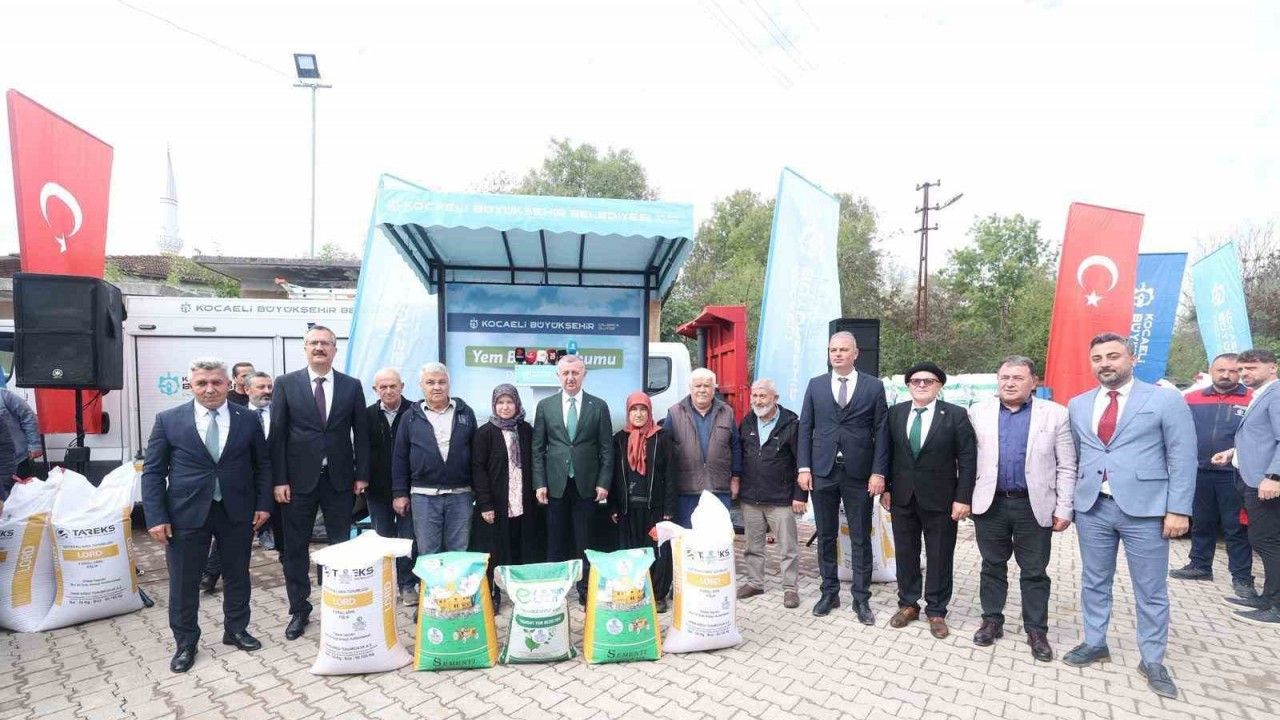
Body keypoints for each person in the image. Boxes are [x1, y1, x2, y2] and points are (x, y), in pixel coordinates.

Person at [1062, 332, 1195, 699]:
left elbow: (1182, 457)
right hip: (1093, 507)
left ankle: (1152, 660)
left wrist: (1178, 509)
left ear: (1132, 359)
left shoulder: (1165, 400)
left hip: (1146, 510)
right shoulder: (1078, 404)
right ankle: (1095, 642)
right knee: (1093, 581)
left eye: (1113, 356)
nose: (1105, 363)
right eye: (1097, 358)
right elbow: (1079, 455)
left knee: (1150, 590)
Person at [141, 357, 272, 673]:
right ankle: (186, 643)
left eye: (216, 382)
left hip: (236, 510)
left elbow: (263, 465)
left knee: (237, 574)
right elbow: (153, 472)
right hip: (185, 514)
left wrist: (263, 504)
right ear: (191, 385)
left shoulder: (247, 419)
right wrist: (156, 516)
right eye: (202, 383)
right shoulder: (168, 420)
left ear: (229, 384)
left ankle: (236, 630)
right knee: (184, 582)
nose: (209, 389)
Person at [968, 356, 1076, 661]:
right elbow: (965, 459)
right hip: (990, 503)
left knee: (1034, 571)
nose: (1010, 383)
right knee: (992, 565)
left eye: (1017, 378)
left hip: (1034, 505)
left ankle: (1036, 630)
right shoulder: (978, 412)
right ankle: (992, 620)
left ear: (1033, 382)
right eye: (1004, 377)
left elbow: (1067, 465)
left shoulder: (1056, 414)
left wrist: (1065, 507)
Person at [270, 326, 370, 641]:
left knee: (340, 546)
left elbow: (361, 434)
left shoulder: (351, 386)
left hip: (339, 480)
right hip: (297, 482)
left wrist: (362, 474)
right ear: (305, 348)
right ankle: (299, 610)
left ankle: (338, 605)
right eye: (313, 343)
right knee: (295, 548)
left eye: (325, 343)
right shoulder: (286, 384)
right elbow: (277, 435)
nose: (319, 348)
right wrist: (279, 479)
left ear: (334, 350)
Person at [797, 331, 890, 622]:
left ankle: (861, 599)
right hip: (823, 471)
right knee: (826, 535)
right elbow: (805, 427)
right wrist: (804, 467)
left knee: (860, 537)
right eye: (833, 350)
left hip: (859, 474)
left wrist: (878, 472)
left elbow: (882, 431)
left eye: (843, 350)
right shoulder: (816, 385)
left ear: (855, 353)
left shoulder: (873, 387)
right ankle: (829, 593)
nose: (837, 354)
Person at [883, 361, 977, 640]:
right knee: (905, 553)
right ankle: (908, 604)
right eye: (916, 381)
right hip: (902, 497)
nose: (921, 385)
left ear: (939, 386)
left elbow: (968, 459)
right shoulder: (895, 413)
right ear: (908, 385)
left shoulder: (956, 415)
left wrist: (963, 497)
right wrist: (887, 488)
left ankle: (936, 610)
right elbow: (887, 454)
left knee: (939, 555)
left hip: (942, 499)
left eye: (928, 381)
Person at [1170, 353, 1256, 600]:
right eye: (1221, 370)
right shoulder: (1191, 398)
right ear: (1211, 371)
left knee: (1235, 526)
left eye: (1232, 371)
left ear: (1239, 372)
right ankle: (1199, 565)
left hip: (1235, 473)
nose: (1226, 375)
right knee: (1202, 521)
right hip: (1198, 470)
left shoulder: (1253, 399)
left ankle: (1242, 577)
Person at [533, 353, 613, 605]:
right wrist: (539, 482)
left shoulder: (598, 406)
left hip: (587, 484)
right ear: (558, 375)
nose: (570, 378)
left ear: (584, 375)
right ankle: (553, 590)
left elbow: (606, 449)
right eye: (566, 373)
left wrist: (603, 482)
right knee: (555, 540)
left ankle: (585, 588)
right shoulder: (545, 406)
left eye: (575, 373)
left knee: (585, 540)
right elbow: (537, 449)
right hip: (555, 484)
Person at [1211, 347, 1280, 627]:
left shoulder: (1276, 395)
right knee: (1264, 540)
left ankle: (1276, 606)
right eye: (1242, 369)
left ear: (1273, 367)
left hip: (1265, 482)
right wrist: (1232, 453)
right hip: (1252, 477)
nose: (1244, 373)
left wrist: (1275, 476)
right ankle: (1267, 598)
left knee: (1267, 541)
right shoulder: (1261, 395)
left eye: (1252, 367)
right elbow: (1261, 437)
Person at [201, 371, 278, 594]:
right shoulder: (236, 415)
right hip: (244, 487)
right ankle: (210, 574)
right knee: (234, 534)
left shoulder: (281, 413)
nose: (267, 391)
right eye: (261, 387)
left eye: (269, 387)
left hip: (278, 482)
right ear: (246, 390)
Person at [392, 363, 477, 560]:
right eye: (430, 382)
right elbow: (400, 457)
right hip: (424, 496)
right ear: (421, 386)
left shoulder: (465, 413)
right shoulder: (410, 417)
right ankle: (430, 582)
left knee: (458, 552)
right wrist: (399, 493)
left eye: (442, 382)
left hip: (460, 494)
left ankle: (456, 583)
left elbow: (477, 455)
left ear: (449, 384)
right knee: (428, 553)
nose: (437, 387)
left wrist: (478, 490)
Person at [472, 384, 545, 610]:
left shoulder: (526, 430)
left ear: (517, 404)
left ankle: (523, 594)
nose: (505, 407)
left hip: (523, 502)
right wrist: (485, 503)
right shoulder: (485, 433)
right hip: (497, 503)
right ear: (494, 405)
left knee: (523, 546)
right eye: (500, 403)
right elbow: (478, 470)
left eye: (509, 402)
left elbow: (536, 461)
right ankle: (493, 595)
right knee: (495, 550)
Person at [737, 378, 805, 608]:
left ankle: (790, 589)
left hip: (781, 499)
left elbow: (801, 462)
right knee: (752, 546)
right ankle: (755, 582)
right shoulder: (747, 422)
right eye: (755, 396)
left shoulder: (791, 424)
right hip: (751, 497)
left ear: (775, 398)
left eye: (763, 396)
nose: (758, 401)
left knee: (787, 547)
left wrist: (800, 495)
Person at [610, 391, 675, 612]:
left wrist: (669, 509)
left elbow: (671, 474)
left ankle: (658, 595)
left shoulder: (662, 437)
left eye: (643, 409)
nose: (638, 414)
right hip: (628, 508)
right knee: (631, 553)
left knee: (657, 552)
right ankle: (634, 591)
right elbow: (613, 475)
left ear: (649, 412)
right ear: (628, 413)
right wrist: (613, 505)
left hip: (655, 507)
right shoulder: (619, 439)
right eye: (634, 410)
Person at [664, 368, 742, 527]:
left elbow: (735, 447)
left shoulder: (727, 412)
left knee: (717, 536)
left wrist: (735, 478)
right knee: (688, 537)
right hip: (685, 491)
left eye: (707, 386)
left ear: (714, 389)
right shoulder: (674, 413)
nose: (702, 390)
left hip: (718, 490)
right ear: (690, 388)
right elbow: (664, 452)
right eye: (698, 386)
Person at [365, 368, 417, 606]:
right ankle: (383, 587)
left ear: (402, 386)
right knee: (383, 540)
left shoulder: (415, 412)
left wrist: (404, 491)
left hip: (408, 488)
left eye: (393, 386)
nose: (388, 391)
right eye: (383, 387)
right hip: (377, 490)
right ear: (375, 389)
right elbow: (360, 450)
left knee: (407, 540)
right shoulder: (366, 415)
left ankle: (407, 585)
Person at [1, 387, 41, 478]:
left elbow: (27, 416)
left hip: (17, 460)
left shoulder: (4, 396)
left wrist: (34, 445)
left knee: (24, 486)